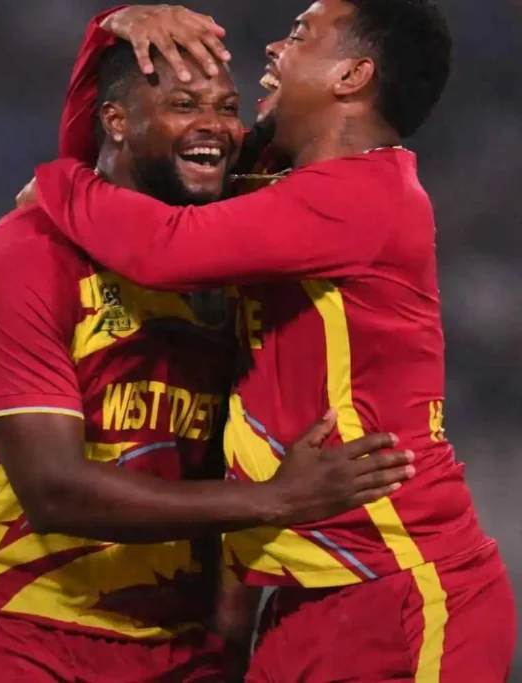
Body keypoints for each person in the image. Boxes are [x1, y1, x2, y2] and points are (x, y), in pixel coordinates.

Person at [0, 19, 417, 683]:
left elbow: (236, 455)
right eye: (183, 106)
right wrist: (277, 499)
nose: (213, 126)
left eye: (227, 109)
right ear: (117, 123)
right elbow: (54, 490)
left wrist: (229, 634)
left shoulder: (231, 267)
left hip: (181, 649)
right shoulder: (20, 262)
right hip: (23, 634)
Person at [30, 1, 517, 681]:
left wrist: (54, 183)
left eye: (299, 35)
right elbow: (122, 165)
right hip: (303, 595)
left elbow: (157, 248)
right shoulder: (274, 176)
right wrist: (107, 34)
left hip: (405, 585)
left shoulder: (364, 196)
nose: (272, 50)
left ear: (352, 74)